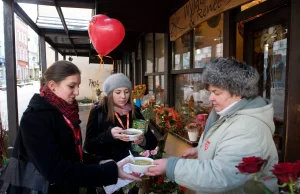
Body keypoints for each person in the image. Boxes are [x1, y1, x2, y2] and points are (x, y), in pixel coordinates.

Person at [0, 61, 140, 194]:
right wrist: (108, 172)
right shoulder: (35, 118)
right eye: (72, 86)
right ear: (52, 85)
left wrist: (99, 161)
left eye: (78, 85)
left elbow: (71, 155)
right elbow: (55, 170)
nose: (77, 92)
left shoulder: (65, 112)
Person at [146, 57, 279, 193]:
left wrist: (171, 167)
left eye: (217, 93)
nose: (210, 98)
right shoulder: (226, 113)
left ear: (239, 92)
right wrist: (201, 150)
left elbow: (220, 176)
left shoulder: (248, 129)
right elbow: (224, 143)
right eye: (210, 92)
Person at [84, 73, 157, 162]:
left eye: (126, 92)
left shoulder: (134, 111)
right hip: (107, 167)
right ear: (110, 94)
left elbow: (152, 143)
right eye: (118, 92)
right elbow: (88, 146)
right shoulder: (98, 112)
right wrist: (109, 135)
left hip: (129, 165)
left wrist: (143, 140)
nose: (123, 96)